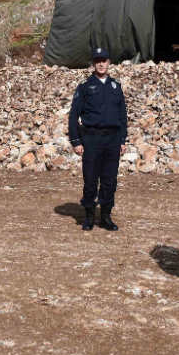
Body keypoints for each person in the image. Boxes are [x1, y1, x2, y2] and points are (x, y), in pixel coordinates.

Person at [68, 46, 128, 231]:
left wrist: (123, 140)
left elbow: (122, 115)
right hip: (92, 138)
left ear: (109, 62)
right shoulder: (85, 87)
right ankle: (88, 216)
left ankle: (105, 216)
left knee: (109, 180)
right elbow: (73, 116)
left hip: (112, 139)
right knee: (91, 179)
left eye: (104, 60)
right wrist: (76, 141)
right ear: (93, 64)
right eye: (97, 61)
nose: (101, 64)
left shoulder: (115, 86)